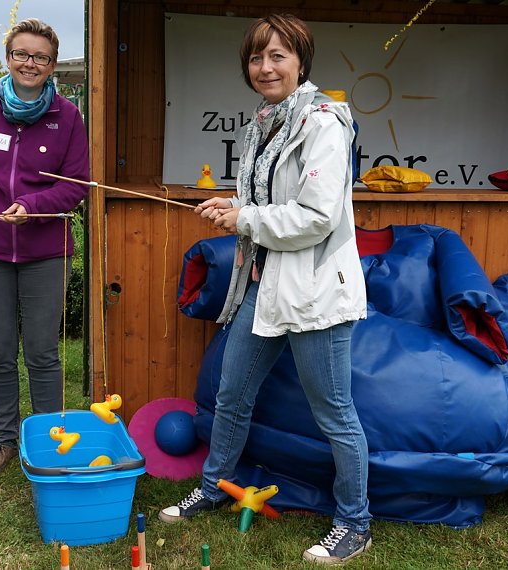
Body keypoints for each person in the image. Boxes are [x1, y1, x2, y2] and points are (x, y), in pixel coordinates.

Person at [158, 14, 371, 565]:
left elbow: (318, 216)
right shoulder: (263, 122)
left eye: (278, 55)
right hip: (264, 283)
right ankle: (214, 487)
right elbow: (267, 197)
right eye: (256, 57)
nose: (265, 66)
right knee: (231, 394)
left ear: (302, 61)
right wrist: (235, 208)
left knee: (336, 416)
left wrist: (244, 219)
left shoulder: (324, 122)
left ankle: (355, 524)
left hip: (316, 291)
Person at [0, 18, 90, 477]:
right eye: (22, 54)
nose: (30, 63)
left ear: (52, 66)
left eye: (41, 57)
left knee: (43, 351)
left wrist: (31, 205)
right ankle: (4, 441)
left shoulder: (67, 117)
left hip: (45, 250)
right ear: (8, 58)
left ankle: (48, 440)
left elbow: (76, 186)